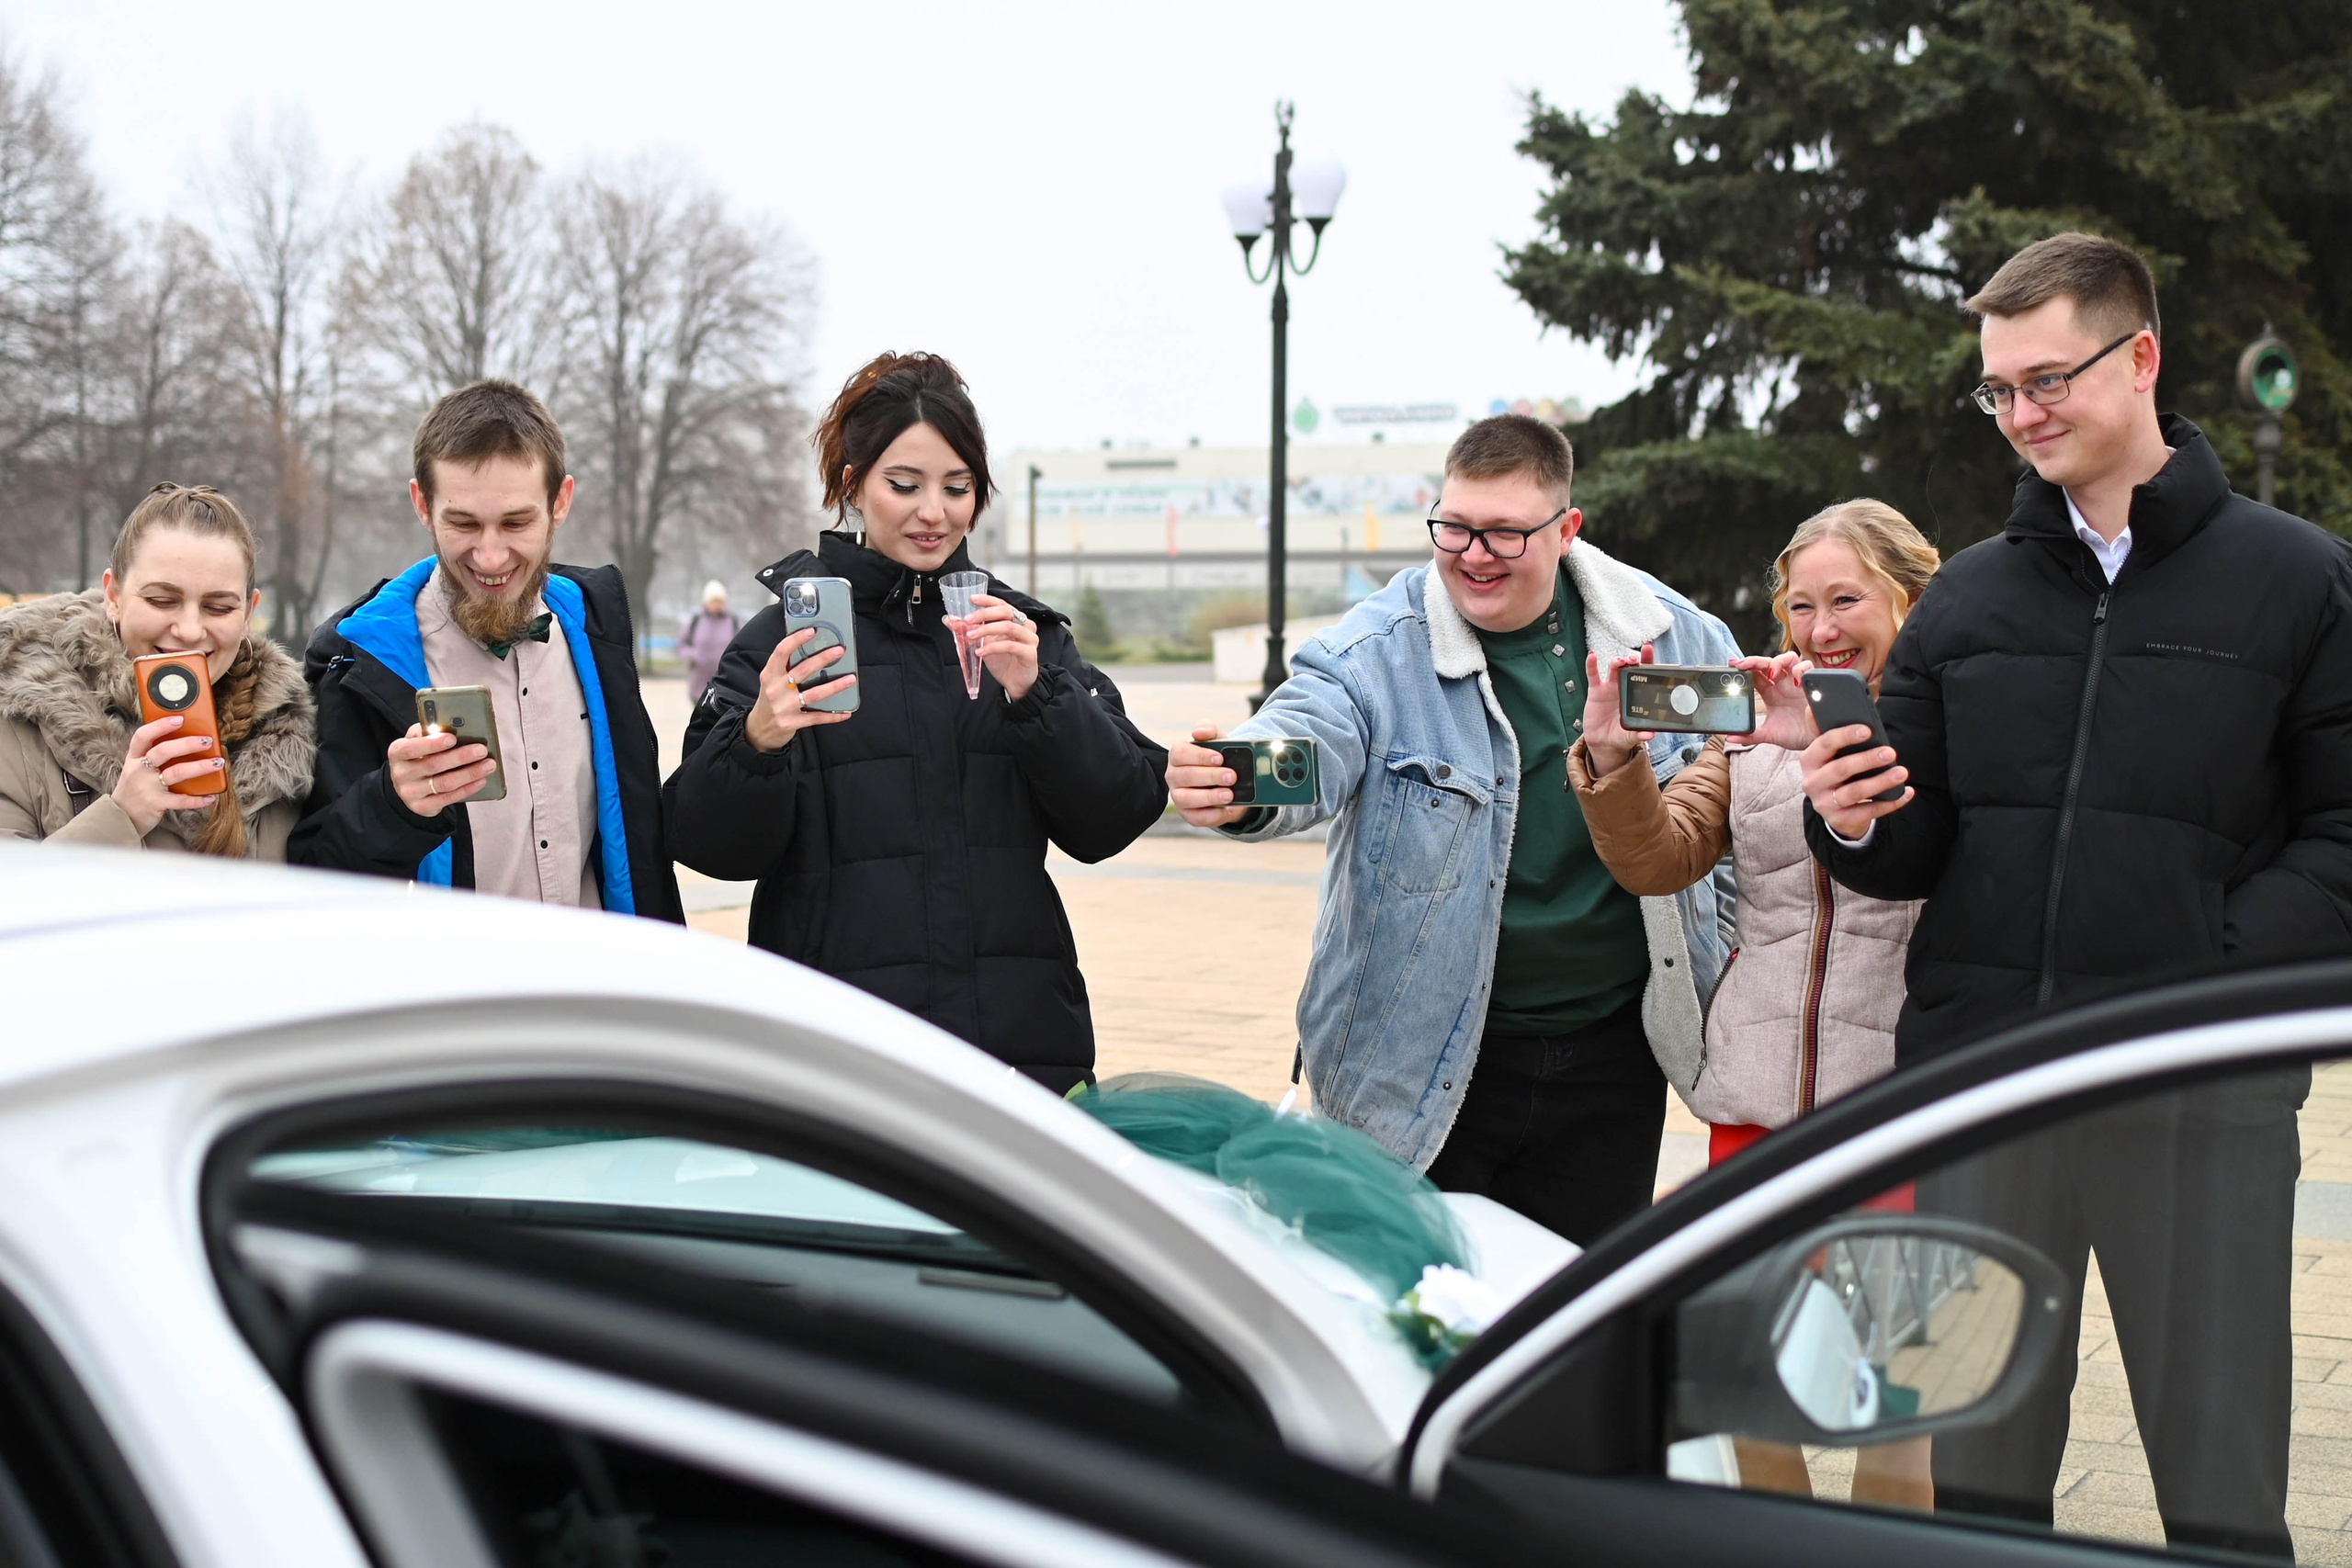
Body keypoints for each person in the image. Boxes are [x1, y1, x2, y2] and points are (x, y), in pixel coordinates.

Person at [1801, 233, 2352, 1554]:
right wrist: (1850, 818)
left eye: (2047, 378)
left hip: (2198, 1093)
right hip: (1986, 1089)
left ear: (2142, 355)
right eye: (1998, 390)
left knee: (2222, 1491)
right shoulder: (1969, 598)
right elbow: (1908, 844)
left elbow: (2343, 835)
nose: (2022, 413)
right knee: (1982, 1493)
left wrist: (2199, 964)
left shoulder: (2299, 577)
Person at [1164, 413, 1741, 1246]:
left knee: (1570, 1319)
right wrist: (1238, 777)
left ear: (1566, 529)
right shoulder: (1376, 650)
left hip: (1612, 1059)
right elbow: (1311, 738)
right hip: (1421, 1059)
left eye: (1505, 534)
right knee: (1415, 1311)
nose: (1474, 555)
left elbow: (1739, 796)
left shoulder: (1672, 635)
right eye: (1456, 528)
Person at [662, 352, 1166, 1094]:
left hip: (1017, 1055)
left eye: (957, 487)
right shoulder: (781, 643)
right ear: (851, 484)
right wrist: (759, 739)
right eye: (904, 485)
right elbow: (707, 843)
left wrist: (1039, 695)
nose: (934, 512)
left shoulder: (1023, 634)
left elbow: (1115, 814)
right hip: (835, 1061)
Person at [1570, 498, 1939, 1507]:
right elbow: (1660, 858)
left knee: (1890, 1391)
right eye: (1800, 604)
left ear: (1909, 596)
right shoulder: (1751, 734)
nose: (1821, 628)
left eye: (1846, 600)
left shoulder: (1948, 721)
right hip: (1754, 1102)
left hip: (1895, 1103)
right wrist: (1612, 759)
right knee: (1754, 1376)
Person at [291, 379, 684, 922]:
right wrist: (390, 804)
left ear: (560, 502)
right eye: (464, 523)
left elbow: (638, 845)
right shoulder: (358, 662)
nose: (492, 555)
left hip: (596, 989)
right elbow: (308, 879)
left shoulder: (600, 630)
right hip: (458, 999)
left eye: (517, 523)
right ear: (422, 505)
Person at [0, 483, 312, 857]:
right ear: (113, 597)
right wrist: (121, 817)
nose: (190, 630)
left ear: (249, 612)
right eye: (162, 601)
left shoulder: (299, 742)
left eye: (219, 608)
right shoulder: (19, 722)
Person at [678, 580, 739, 703]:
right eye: (713, 601)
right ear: (706, 602)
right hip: (699, 683)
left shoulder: (733, 622)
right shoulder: (695, 622)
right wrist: (692, 656)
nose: (717, 604)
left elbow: (741, 646)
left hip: (725, 683)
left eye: (719, 601)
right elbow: (681, 644)